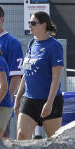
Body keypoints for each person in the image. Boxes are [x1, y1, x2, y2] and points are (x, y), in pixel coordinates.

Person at [15, 11, 65, 139]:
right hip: (30, 99)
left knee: (53, 140)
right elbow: (26, 74)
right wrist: (17, 98)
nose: (30, 26)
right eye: (29, 23)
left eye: (33, 23)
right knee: (22, 135)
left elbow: (56, 78)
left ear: (44, 24)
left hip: (49, 100)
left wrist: (49, 103)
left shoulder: (55, 46)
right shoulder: (31, 44)